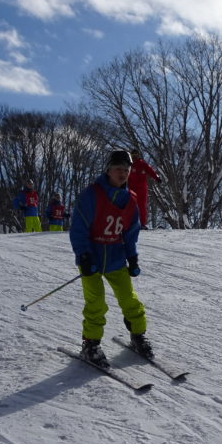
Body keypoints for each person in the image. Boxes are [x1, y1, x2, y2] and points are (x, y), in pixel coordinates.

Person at [69, 149, 151, 368]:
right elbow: (78, 228)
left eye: (126, 170)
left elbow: (130, 233)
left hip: (115, 258)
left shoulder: (130, 199)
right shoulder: (92, 194)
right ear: (108, 170)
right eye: (118, 169)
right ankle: (91, 344)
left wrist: (132, 258)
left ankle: (138, 335)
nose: (122, 173)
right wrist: (84, 255)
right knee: (96, 303)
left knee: (129, 300)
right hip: (91, 259)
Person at [128, 150, 161, 229]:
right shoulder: (129, 165)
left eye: (136, 155)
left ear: (138, 155)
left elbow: (150, 171)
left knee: (142, 206)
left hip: (142, 189)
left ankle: (142, 224)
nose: (134, 157)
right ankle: (130, 223)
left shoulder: (143, 164)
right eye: (133, 155)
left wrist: (157, 178)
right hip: (131, 189)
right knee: (130, 206)